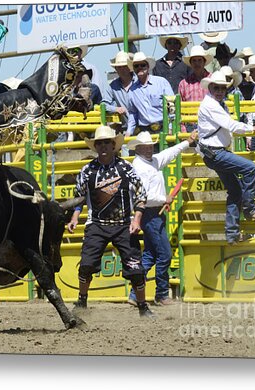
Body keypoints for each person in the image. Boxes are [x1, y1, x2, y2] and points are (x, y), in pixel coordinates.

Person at [67, 125, 153, 318]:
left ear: (113, 145)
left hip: (124, 224)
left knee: (135, 268)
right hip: (97, 224)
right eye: (100, 143)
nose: (104, 146)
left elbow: (141, 195)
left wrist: (136, 219)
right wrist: (75, 216)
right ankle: (82, 300)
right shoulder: (87, 170)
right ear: (95, 147)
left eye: (107, 142)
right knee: (87, 265)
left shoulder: (126, 168)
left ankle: (142, 306)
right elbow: (79, 197)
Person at [126, 130, 198, 306]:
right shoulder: (141, 168)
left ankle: (136, 294)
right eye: (146, 147)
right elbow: (142, 196)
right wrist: (164, 199)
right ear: (138, 149)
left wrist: (187, 142)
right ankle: (161, 294)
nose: (150, 149)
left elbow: (168, 154)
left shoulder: (149, 162)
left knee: (150, 254)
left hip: (150, 213)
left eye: (151, 146)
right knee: (164, 253)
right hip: (149, 213)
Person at [196, 71, 255, 245]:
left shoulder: (216, 103)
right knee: (251, 168)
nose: (220, 91)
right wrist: (251, 129)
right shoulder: (212, 105)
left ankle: (232, 235)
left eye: (222, 88)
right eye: (217, 88)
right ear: (210, 88)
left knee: (235, 191)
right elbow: (230, 125)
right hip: (217, 152)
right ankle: (250, 209)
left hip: (214, 152)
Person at [126, 52, 174, 151]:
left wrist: (170, 127)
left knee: (167, 162)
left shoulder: (161, 82)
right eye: (136, 66)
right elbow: (133, 113)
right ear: (133, 68)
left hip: (163, 129)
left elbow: (172, 107)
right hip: (144, 131)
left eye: (142, 65)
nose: (139, 67)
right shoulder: (131, 90)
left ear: (148, 67)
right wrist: (129, 131)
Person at [178, 45, 213, 132]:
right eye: (194, 60)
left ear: (204, 62)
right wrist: (183, 129)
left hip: (211, 123)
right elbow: (179, 108)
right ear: (191, 63)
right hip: (191, 126)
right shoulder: (184, 83)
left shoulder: (213, 80)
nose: (197, 63)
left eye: (199, 60)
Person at [101, 51, 136, 132]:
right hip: (126, 128)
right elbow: (103, 105)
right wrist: (116, 109)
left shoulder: (139, 81)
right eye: (119, 67)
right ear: (115, 69)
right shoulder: (113, 86)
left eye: (124, 66)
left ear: (129, 67)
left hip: (143, 126)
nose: (122, 69)